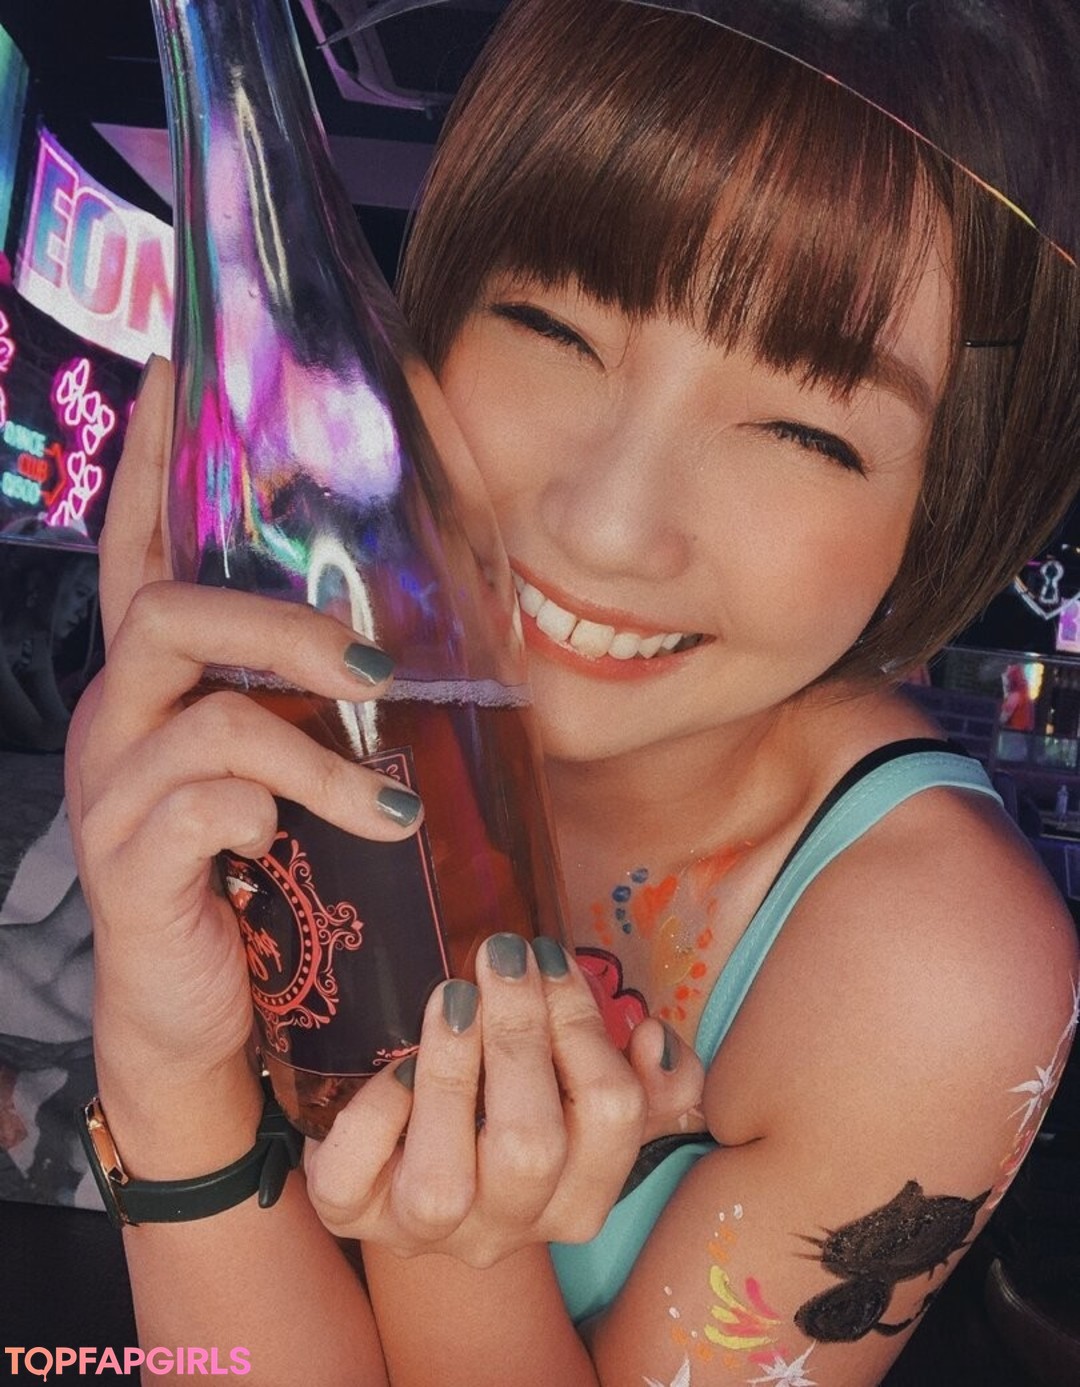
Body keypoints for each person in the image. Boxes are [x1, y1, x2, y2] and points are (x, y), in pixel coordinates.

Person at [65, 1, 1080, 1383]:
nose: (607, 527)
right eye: (552, 325)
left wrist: (460, 1243)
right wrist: (164, 1064)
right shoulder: (282, 715)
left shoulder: (929, 965)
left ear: (943, 505)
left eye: (805, 431)